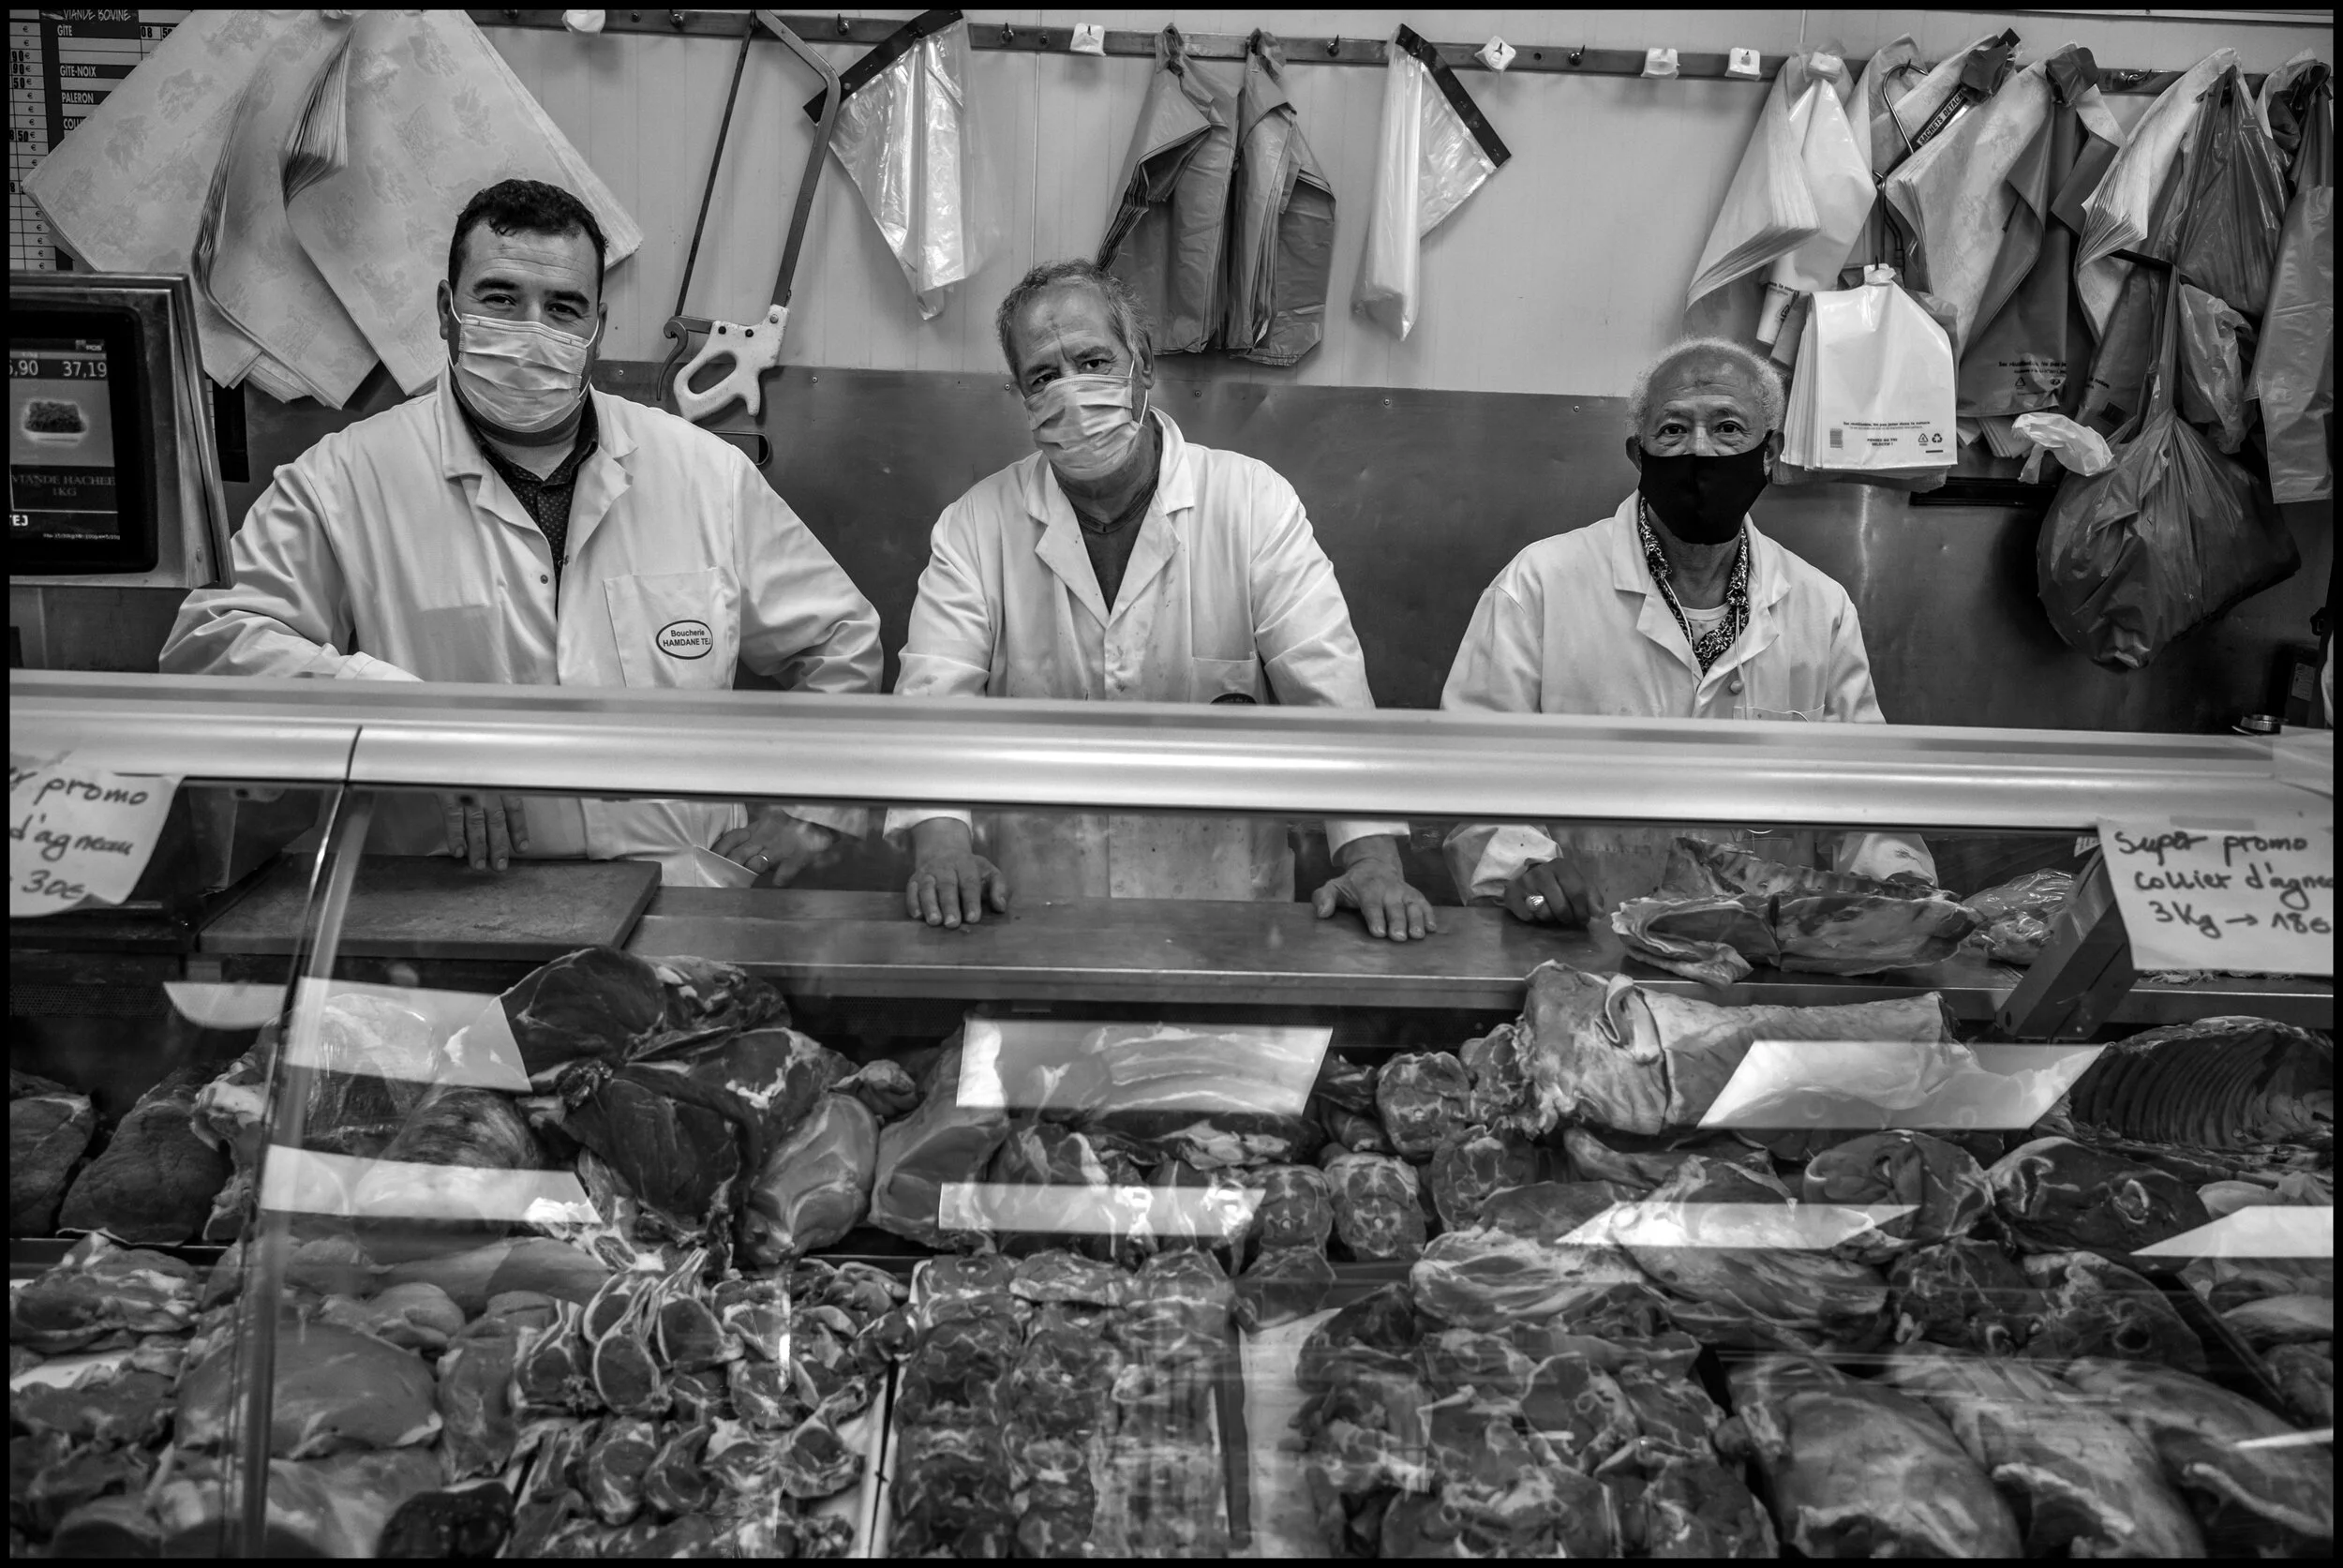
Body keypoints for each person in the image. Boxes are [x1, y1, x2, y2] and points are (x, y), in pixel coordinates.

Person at [160, 180, 880, 883]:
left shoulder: (704, 474)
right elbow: (211, 646)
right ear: (446, 312)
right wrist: (409, 720)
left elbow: (838, 639)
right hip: (445, 907)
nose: (533, 331)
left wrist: (809, 810)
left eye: (563, 307)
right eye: (500, 299)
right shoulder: (347, 477)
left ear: (597, 326)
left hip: (678, 901)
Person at [889, 258, 1435, 940]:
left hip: (1224, 919)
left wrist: (1373, 860)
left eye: (1093, 362)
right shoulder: (976, 525)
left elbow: (1331, 694)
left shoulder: (1250, 502)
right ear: (1021, 396)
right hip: (1038, 916)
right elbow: (934, 708)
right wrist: (943, 851)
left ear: (1142, 364)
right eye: (1043, 377)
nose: (1071, 393)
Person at [1442, 336, 1935, 923]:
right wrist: (1522, 868)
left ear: (1770, 452)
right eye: (1673, 430)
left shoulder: (1819, 607)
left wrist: (1901, 885)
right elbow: (1472, 772)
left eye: (1728, 428)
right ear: (1638, 453)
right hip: (1583, 937)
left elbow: (1866, 798)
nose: (1700, 450)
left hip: (1759, 946)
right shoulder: (1538, 585)